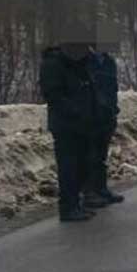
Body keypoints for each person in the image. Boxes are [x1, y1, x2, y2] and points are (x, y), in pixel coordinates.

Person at [39, 38, 98, 221]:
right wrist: (75, 110)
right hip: (65, 125)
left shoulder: (76, 63)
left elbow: (88, 88)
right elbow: (53, 95)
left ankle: (76, 203)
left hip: (82, 123)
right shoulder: (52, 65)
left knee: (82, 165)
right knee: (68, 167)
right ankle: (68, 207)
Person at [83, 39, 124, 208]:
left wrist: (113, 110)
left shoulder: (108, 61)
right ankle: (88, 192)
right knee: (89, 155)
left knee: (101, 156)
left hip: (106, 114)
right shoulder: (84, 60)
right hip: (89, 115)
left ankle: (101, 188)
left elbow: (112, 88)